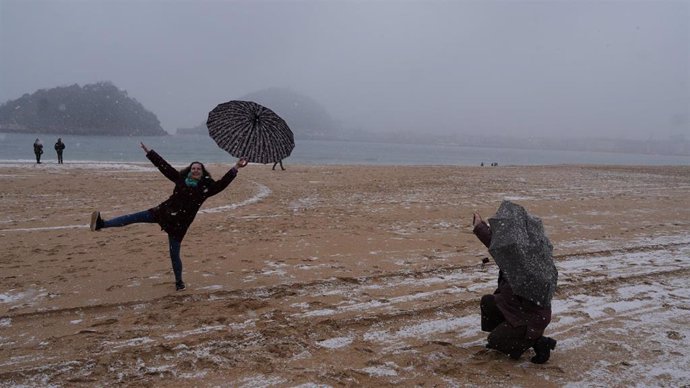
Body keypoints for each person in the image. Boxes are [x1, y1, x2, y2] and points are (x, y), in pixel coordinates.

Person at [90, 142, 248, 291]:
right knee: (133, 218)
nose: (195, 170)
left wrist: (236, 167)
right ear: (190, 170)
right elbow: (164, 167)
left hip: (179, 224)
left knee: (174, 254)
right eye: (193, 168)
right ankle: (101, 224)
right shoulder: (180, 179)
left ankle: (179, 282)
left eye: (198, 169)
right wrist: (150, 153)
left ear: (202, 172)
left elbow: (223, 183)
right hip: (163, 212)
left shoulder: (207, 188)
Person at [472, 212, 557, 364]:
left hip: (530, 318)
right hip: (516, 309)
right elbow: (495, 244)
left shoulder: (529, 265)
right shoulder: (518, 252)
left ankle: (537, 342)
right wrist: (479, 226)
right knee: (488, 302)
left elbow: (502, 251)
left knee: (496, 341)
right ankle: (510, 336)